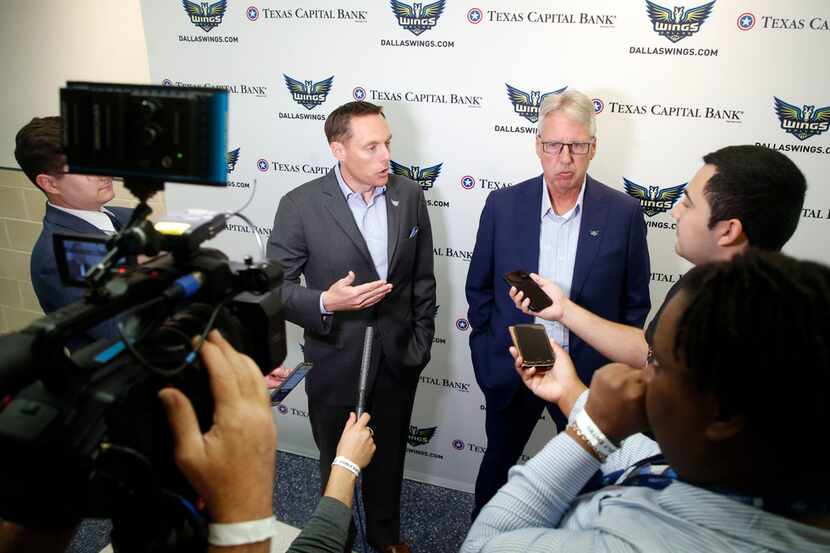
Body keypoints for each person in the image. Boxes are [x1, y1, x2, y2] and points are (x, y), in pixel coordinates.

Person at [463, 250, 830, 552]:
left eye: (657, 364)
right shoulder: (745, 472)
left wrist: (591, 432)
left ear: (722, 415)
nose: (639, 375)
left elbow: (483, 542)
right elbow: (650, 463)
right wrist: (570, 391)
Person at [465, 89, 650, 518]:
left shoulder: (623, 214)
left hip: (586, 380)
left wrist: (610, 374)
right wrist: (488, 357)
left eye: (577, 146)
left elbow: (634, 307)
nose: (564, 158)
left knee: (589, 480)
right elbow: (480, 291)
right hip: (514, 369)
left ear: (593, 149)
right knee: (497, 467)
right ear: (538, 146)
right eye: (553, 145)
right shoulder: (502, 205)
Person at [267, 101, 436, 553]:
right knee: (336, 460)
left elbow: (422, 279)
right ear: (338, 150)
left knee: (388, 458)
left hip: (398, 357)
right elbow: (274, 288)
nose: (386, 157)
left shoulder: (409, 195)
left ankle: (384, 537)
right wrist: (325, 300)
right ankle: (334, 541)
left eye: (388, 144)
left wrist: (419, 344)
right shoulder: (299, 205)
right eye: (372, 147)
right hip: (333, 359)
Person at [511, 144, 807, 369]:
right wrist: (562, 309)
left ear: (729, 231)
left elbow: (667, 437)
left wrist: (570, 394)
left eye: (688, 204)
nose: (675, 211)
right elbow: (651, 351)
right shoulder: (698, 284)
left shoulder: (743, 329)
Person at [14, 116, 132, 343]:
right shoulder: (56, 257)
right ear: (50, 183)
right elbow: (120, 331)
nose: (103, 172)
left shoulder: (127, 216)